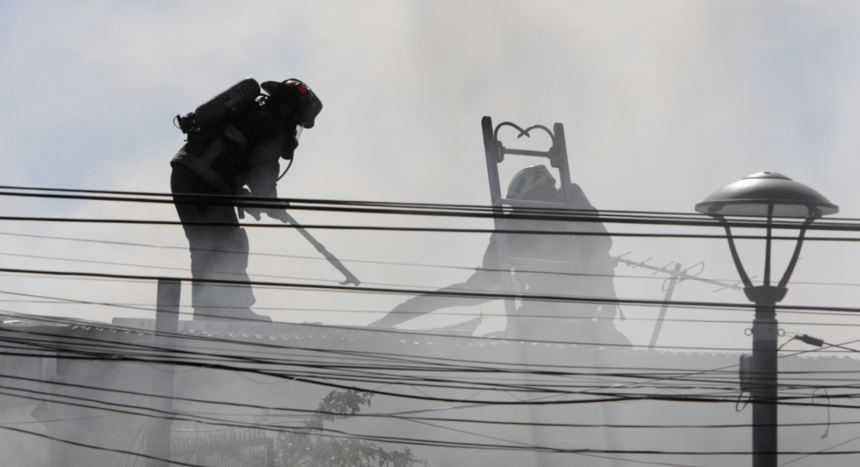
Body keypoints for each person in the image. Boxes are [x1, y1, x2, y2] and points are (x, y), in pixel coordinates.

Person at [371, 164, 629, 345]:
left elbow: (477, 287)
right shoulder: (564, 211)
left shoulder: (515, 224)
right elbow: (602, 246)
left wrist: (392, 318)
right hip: (573, 320)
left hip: (548, 320)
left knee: (514, 347)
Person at [170, 78, 322, 321]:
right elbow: (262, 173)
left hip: (184, 175)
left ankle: (206, 312)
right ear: (289, 111)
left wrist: (252, 200)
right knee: (232, 244)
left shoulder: (250, 114)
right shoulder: (270, 123)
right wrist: (271, 203)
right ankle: (236, 311)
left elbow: (233, 165)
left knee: (203, 247)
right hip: (206, 182)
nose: (295, 129)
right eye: (297, 122)